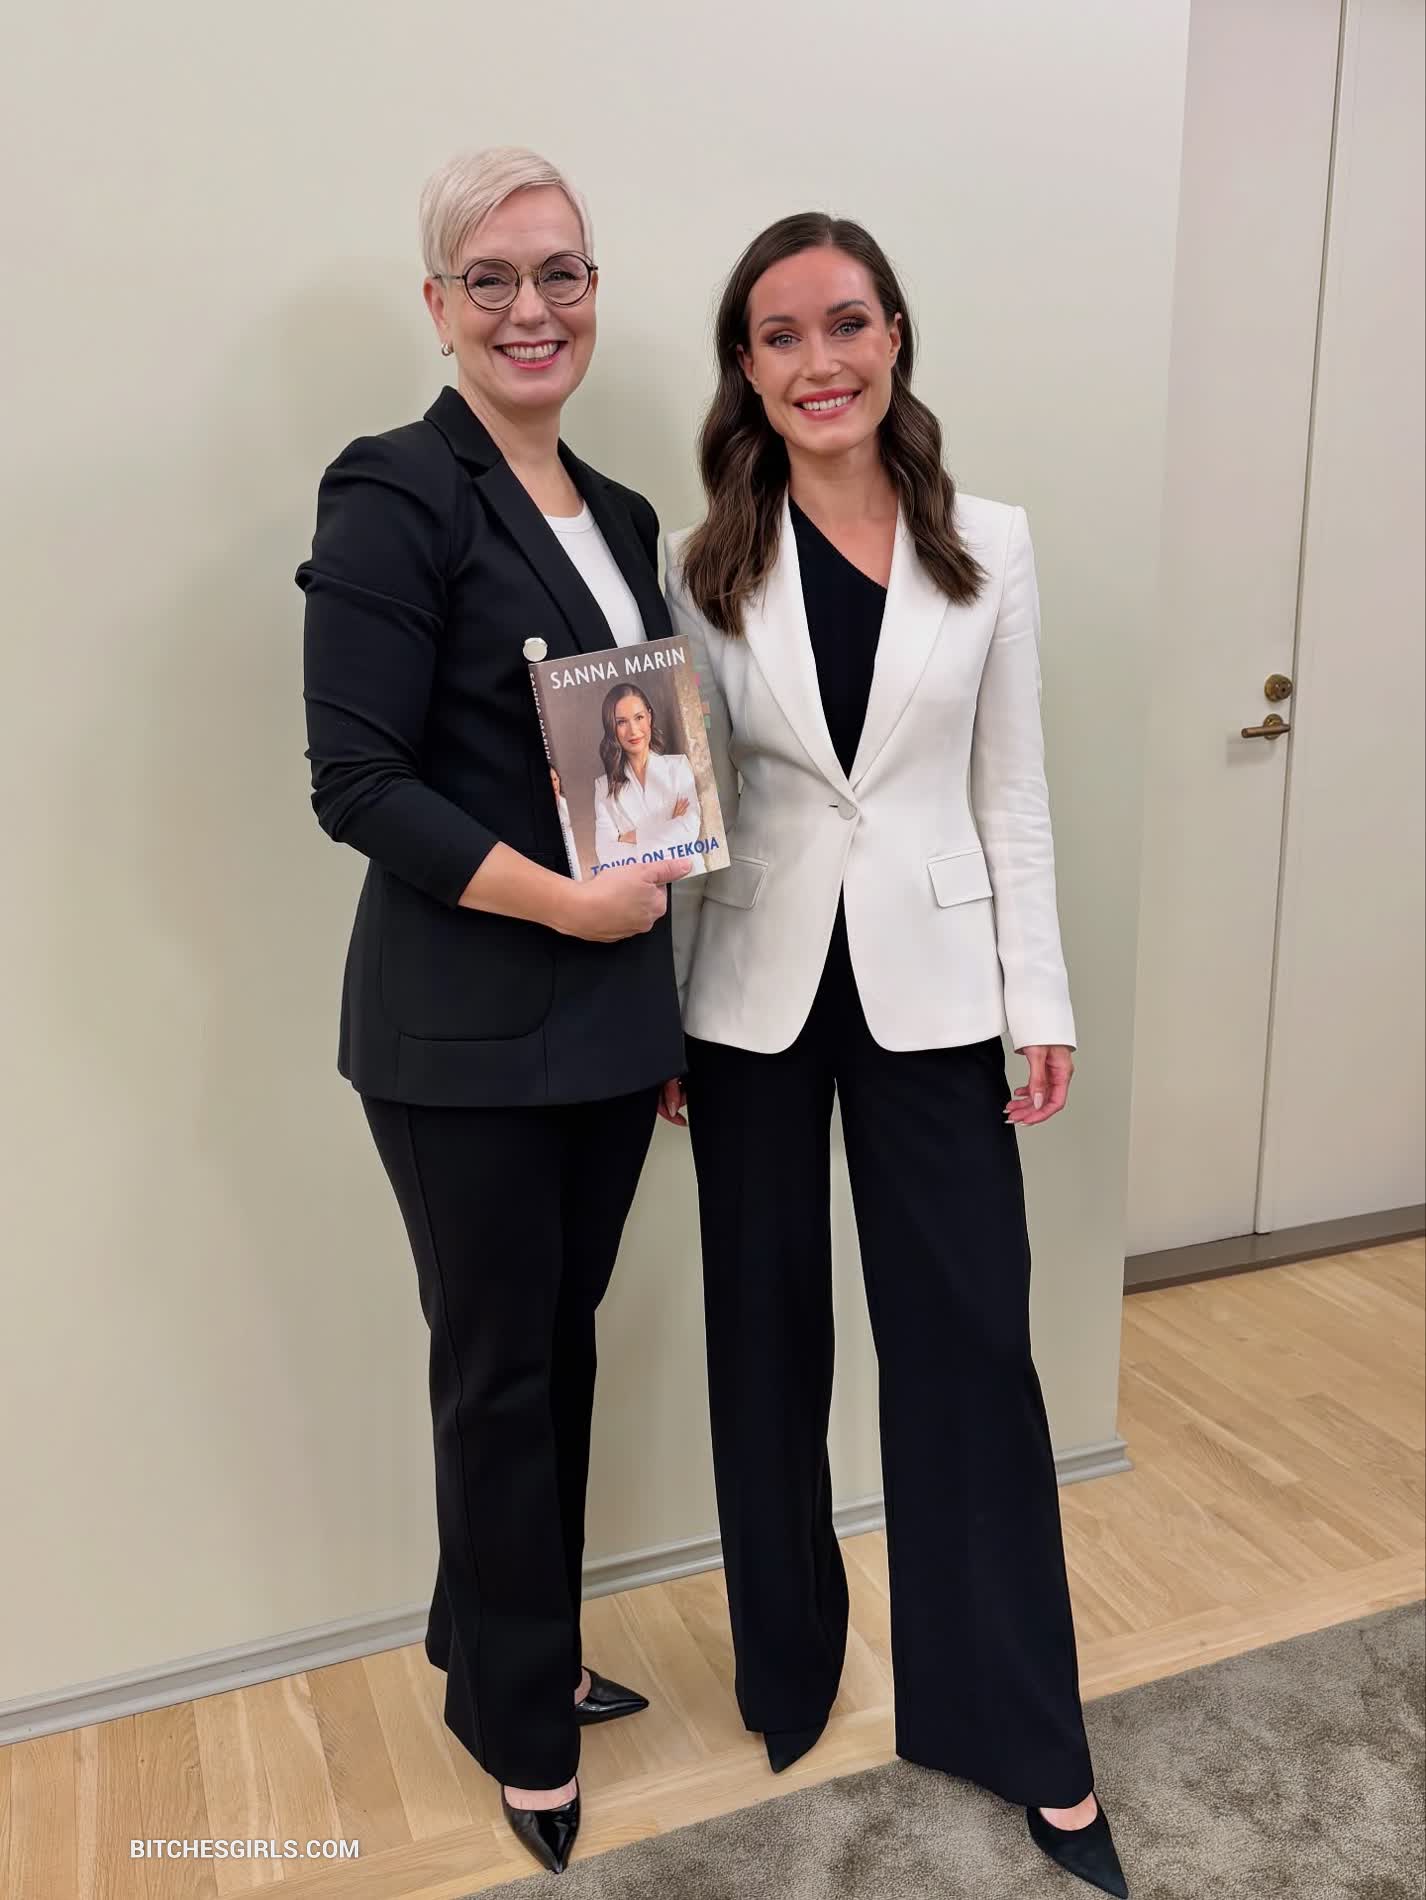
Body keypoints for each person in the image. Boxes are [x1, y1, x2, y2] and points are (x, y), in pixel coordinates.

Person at [658, 213, 1129, 1899]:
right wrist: (658, 1008)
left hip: (937, 990)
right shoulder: (704, 563)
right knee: (763, 1345)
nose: (819, 361)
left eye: (845, 323)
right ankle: (787, 1678)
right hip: (751, 997)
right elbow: (682, 807)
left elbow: (1013, 786)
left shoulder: (988, 542)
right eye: (780, 335)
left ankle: (1021, 1735)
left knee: (971, 1356)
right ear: (746, 368)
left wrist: (1038, 998)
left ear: (895, 337)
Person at [296, 146, 689, 1879]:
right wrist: (569, 906)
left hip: (606, 1020)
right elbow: (357, 782)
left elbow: (635, 771)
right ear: (440, 303)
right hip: (462, 1029)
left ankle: (496, 1638)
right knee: (500, 1372)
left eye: (562, 274)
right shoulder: (395, 489)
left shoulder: (623, 513)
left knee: (553, 1346)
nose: (533, 308)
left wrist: (652, 986)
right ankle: (522, 1721)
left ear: (594, 292)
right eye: (493, 277)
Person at [592, 683, 701, 867]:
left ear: (649, 717)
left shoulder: (678, 766)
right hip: (641, 882)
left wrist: (632, 837)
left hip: (690, 873)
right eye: (621, 722)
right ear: (612, 728)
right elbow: (608, 856)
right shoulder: (603, 787)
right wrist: (670, 825)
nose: (633, 730)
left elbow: (689, 830)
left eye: (639, 717)